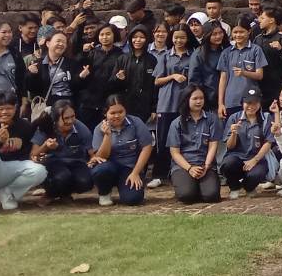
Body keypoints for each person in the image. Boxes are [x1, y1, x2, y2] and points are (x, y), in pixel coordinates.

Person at [88, 94, 154, 206]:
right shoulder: (99, 128)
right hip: (109, 167)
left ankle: (126, 188)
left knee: (133, 199)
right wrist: (107, 136)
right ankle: (104, 192)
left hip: (130, 167)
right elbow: (101, 157)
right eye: (112, 113)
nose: (117, 116)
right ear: (105, 113)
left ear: (125, 111)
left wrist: (136, 172)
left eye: (120, 112)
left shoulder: (136, 122)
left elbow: (147, 147)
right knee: (100, 170)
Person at [151, 24, 195, 187]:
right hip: (166, 103)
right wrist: (173, 76)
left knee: (185, 138)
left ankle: (180, 170)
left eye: (182, 37)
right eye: (176, 37)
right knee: (163, 140)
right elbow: (157, 80)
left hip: (185, 102)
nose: (179, 40)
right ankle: (159, 174)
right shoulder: (165, 56)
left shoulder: (193, 55)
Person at [166, 84, 221, 204]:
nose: (199, 101)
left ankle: (201, 186)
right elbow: (174, 152)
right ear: (187, 100)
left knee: (211, 196)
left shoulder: (212, 119)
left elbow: (213, 145)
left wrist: (206, 166)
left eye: (201, 98)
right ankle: (188, 186)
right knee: (186, 196)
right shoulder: (177, 123)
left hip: (205, 164)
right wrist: (189, 168)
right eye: (195, 98)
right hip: (183, 165)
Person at [32, 100, 95, 201]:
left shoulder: (80, 128)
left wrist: (92, 160)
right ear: (55, 119)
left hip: (76, 162)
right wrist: (46, 146)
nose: (70, 121)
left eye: (73, 116)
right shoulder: (46, 126)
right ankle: (51, 192)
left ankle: (64, 192)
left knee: (86, 182)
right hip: (53, 163)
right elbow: (33, 154)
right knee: (62, 177)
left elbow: (92, 153)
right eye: (66, 118)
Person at [221, 86, 275, 199]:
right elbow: (229, 146)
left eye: (255, 103)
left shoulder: (266, 118)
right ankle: (234, 187)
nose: (251, 106)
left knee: (257, 173)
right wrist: (234, 133)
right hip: (237, 157)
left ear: (260, 103)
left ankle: (249, 187)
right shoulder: (234, 118)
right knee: (228, 164)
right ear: (242, 103)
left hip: (257, 158)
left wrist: (254, 160)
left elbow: (268, 142)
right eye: (248, 103)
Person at [216, 21, 265, 119]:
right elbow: (223, 79)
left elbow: (260, 75)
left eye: (241, 32)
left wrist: (244, 73)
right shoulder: (227, 52)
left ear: (249, 31)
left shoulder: (256, 50)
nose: (238, 35)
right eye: (235, 32)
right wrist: (220, 103)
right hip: (231, 101)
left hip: (251, 100)